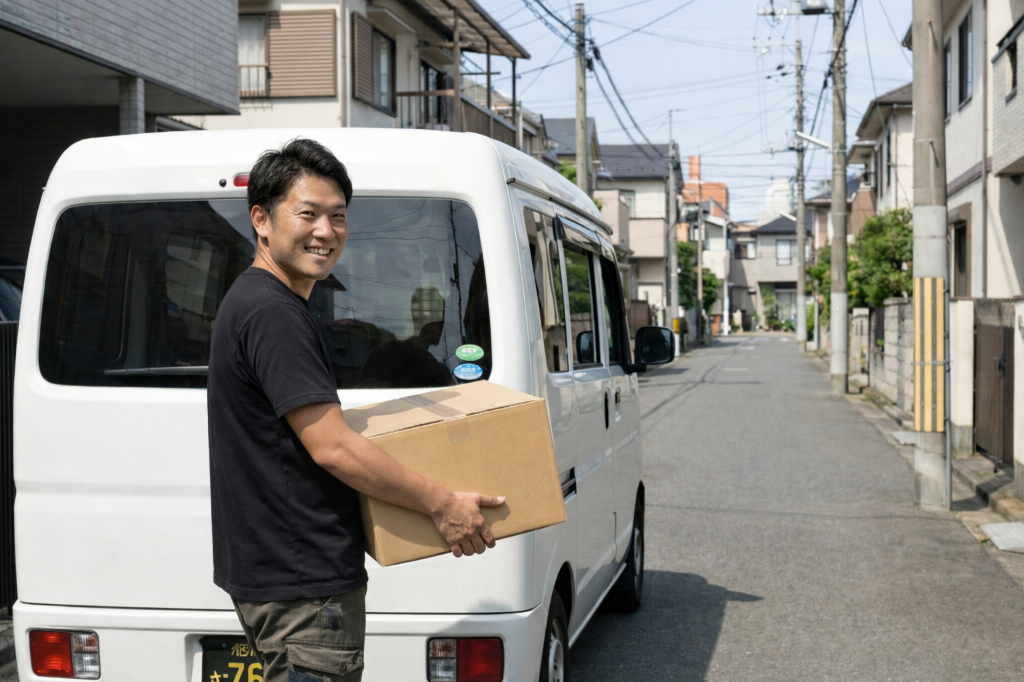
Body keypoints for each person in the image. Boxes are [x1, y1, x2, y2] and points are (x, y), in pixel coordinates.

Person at [207, 138, 504, 682]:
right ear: (262, 220)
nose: (326, 231)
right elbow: (333, 446)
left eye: (338, 216)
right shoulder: (274, 312)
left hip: (280, 574)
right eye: (308, 214)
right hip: (304, 586)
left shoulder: (259, 300)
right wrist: (442, 504)